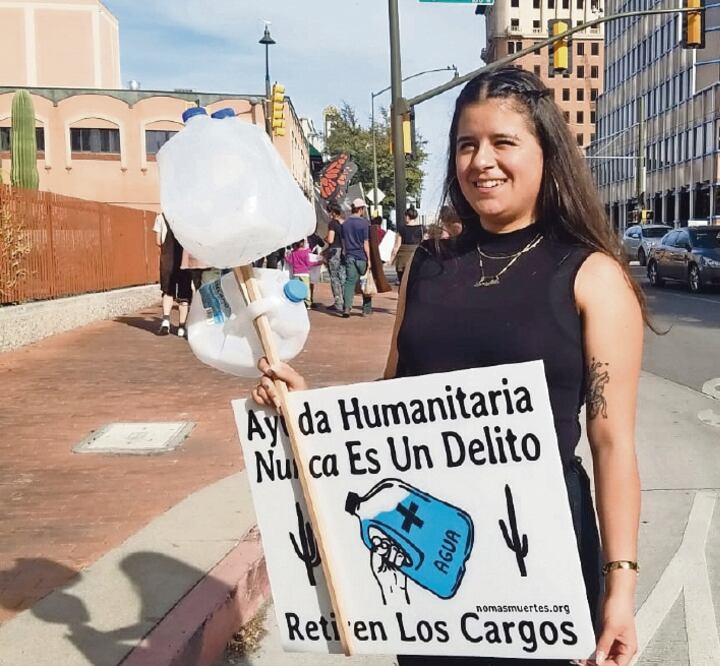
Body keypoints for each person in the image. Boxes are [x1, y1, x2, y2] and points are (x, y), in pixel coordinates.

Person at [253, 66, 645, 666]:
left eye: (503, 142)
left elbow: (612, 442)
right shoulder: (428, 265)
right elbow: (389, 409)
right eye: (467, 144)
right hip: (429, 550)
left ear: (546, 153)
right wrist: (306, 410)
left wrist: (619, 587)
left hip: (538, 560)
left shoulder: (592, 275)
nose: (481, 160)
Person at [152, 212, 193, 338]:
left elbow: (158, 241)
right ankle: (181, 327)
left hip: (167, 260)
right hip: (184, 261)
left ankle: (165, 321)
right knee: (184, 295)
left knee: (168, 291)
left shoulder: (161, 217)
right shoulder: (188, 218)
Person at [340, 198, 373, 317]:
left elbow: (343, 242)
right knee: (365, 281)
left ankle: (347, 308)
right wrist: (369, 259)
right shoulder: (364, 223)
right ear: (360, 209)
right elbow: (366, 243)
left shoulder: (345, 224)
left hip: (349, 255)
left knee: (349, 282)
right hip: (361, 256)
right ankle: (366, 309)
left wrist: (345, 252)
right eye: (363, 208)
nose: (364, 210)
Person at [389, 207, 425, 283]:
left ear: (407, 216)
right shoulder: (422, 229)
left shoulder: (402, 229)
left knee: (403, 282)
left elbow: (396, 246)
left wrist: (391, 260)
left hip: (403, 259)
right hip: (417, 257)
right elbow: (425, 242)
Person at [284, 240, 324, 308]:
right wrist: (318, 262)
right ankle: (307, 303)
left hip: (296, 273)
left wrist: (285, 257)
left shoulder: (293, 253)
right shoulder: (306, 253)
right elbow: (308, 264)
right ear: (303, 244)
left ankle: (297, 300)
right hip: (304, 274)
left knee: (296, 288)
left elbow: (290, 261)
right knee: (306, 289)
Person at [324, 204, 347, 314]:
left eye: (329, 212)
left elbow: (330, 240)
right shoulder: (344, 223)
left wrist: (326, 238)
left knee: (334, 277)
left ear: (333, 212)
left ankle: (338, 302)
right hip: (344, 251)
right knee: (342, 276)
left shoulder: (332, 224)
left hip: (334, 251)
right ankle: (346, 301)